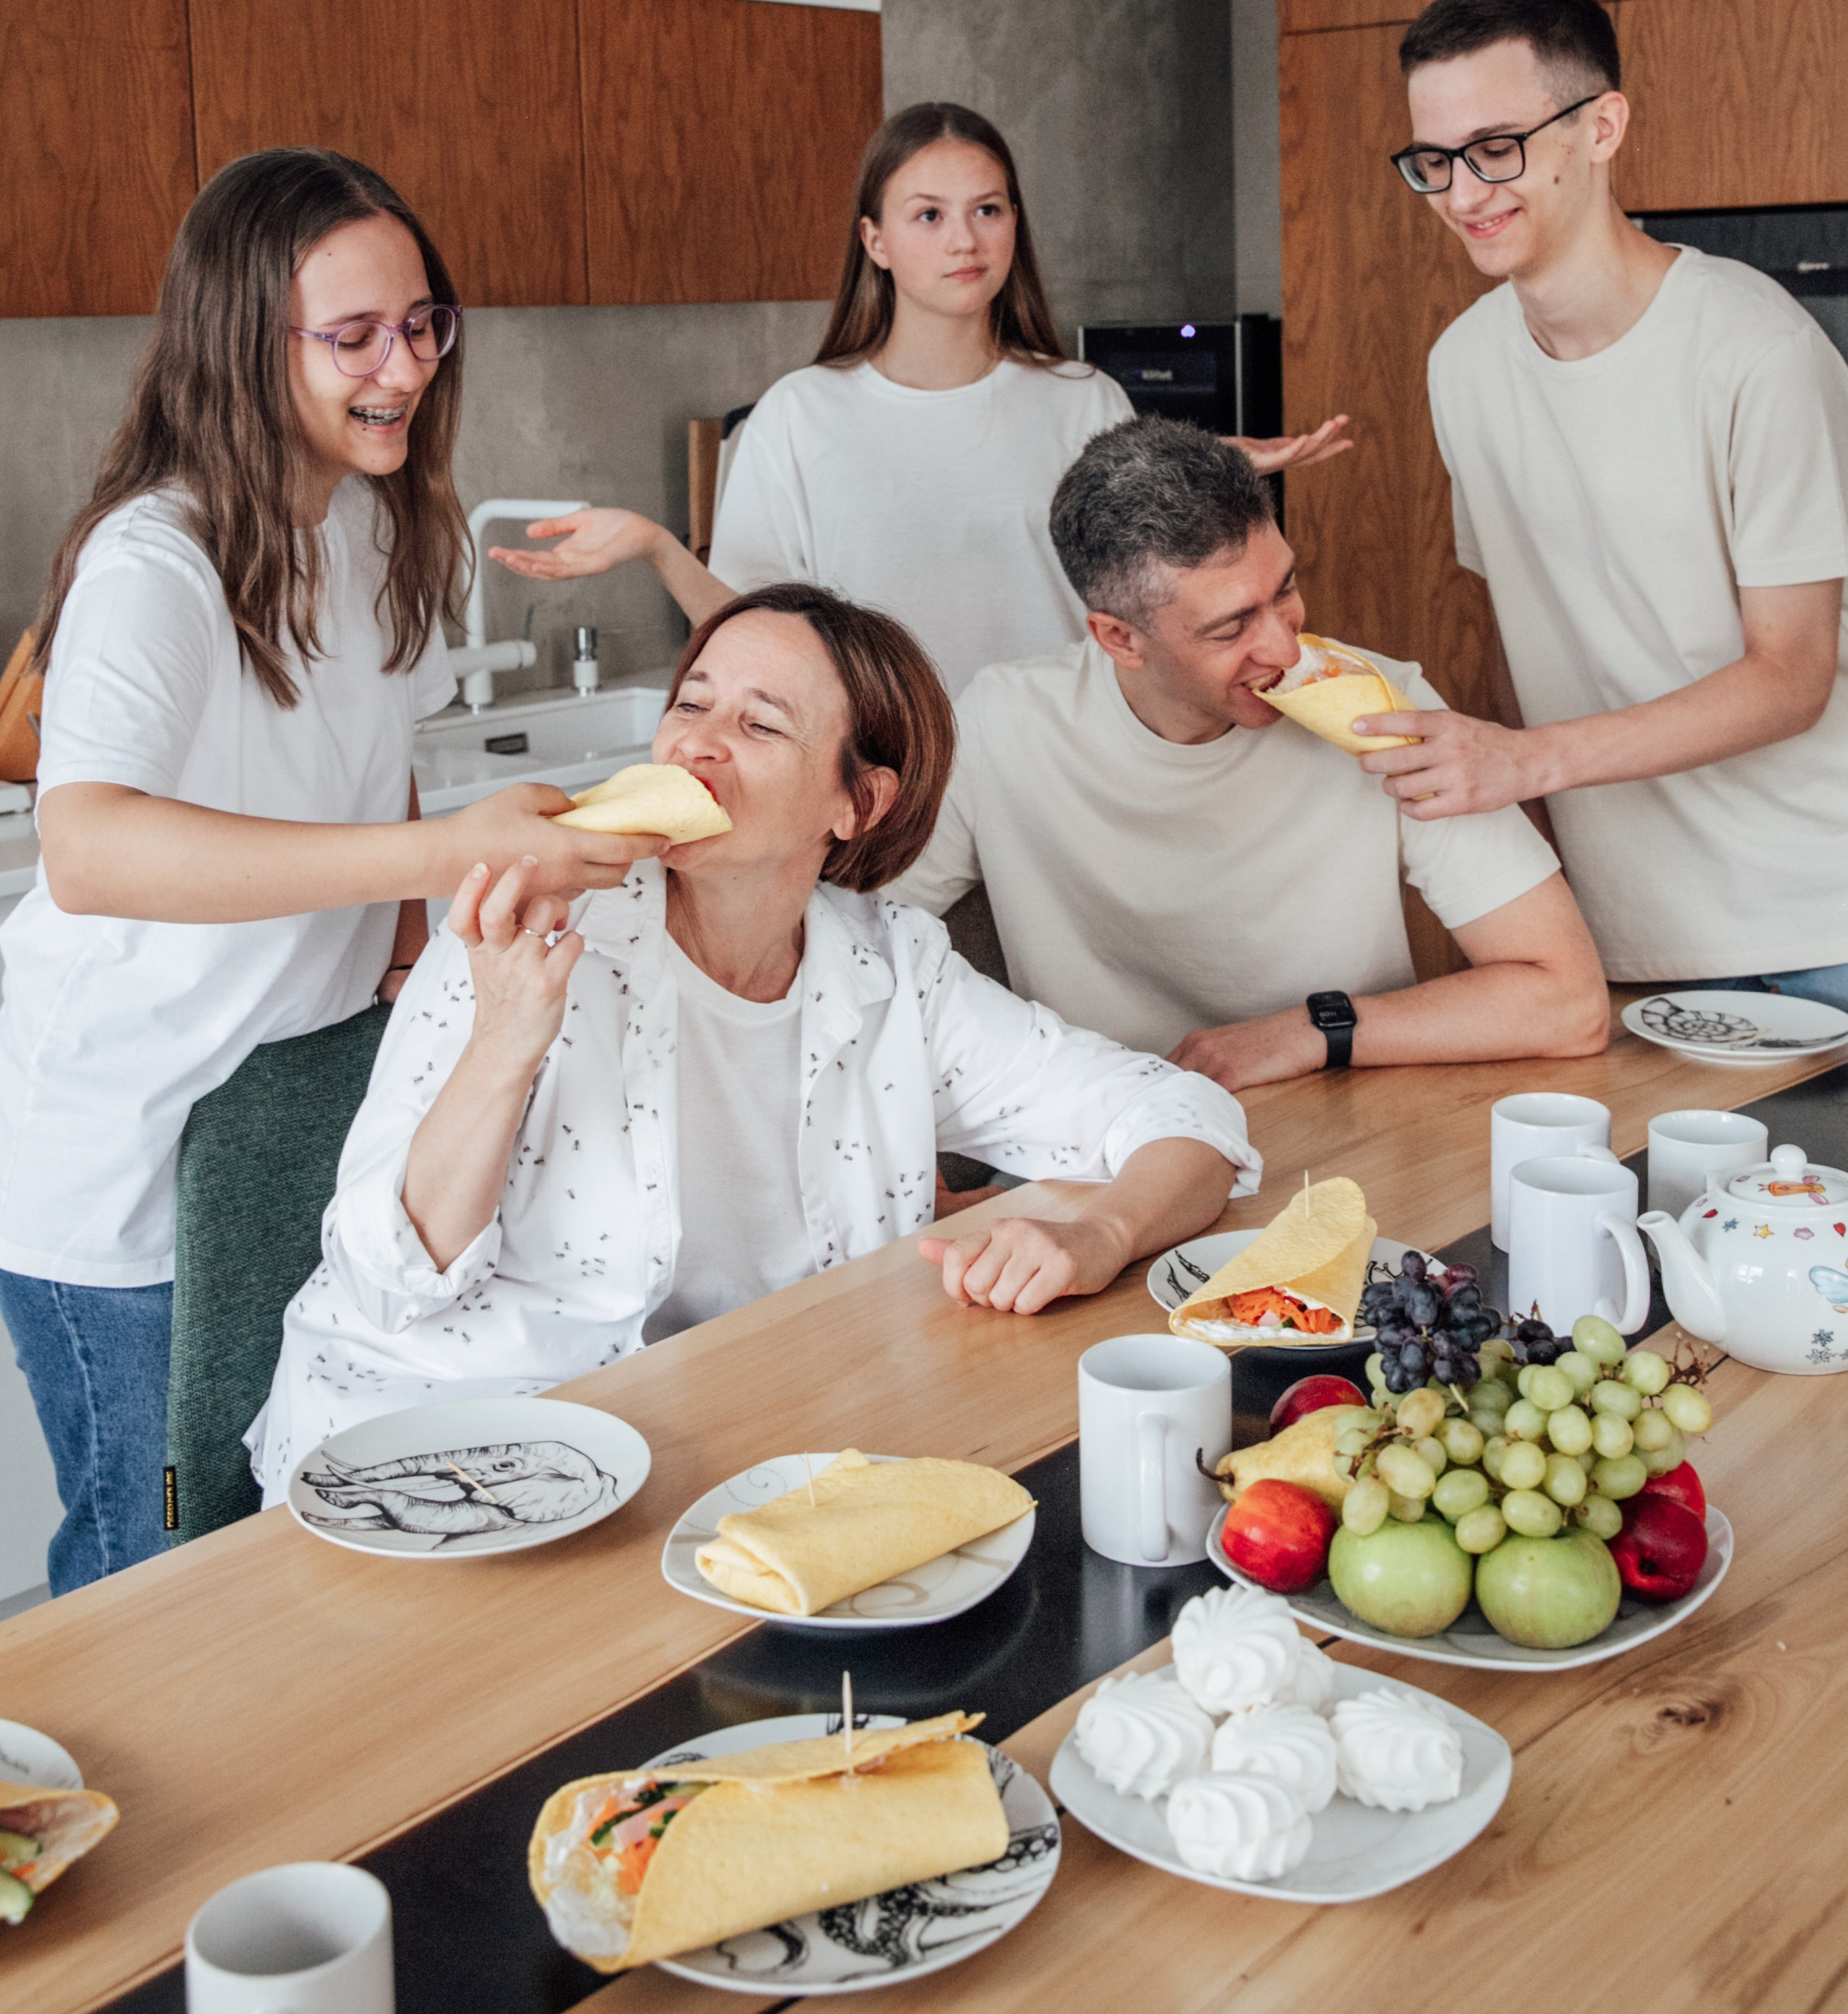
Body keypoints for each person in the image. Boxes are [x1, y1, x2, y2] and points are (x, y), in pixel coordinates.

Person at [0, 152, 654, 1592]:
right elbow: (89, 844)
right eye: (353, 336)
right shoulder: (154, 564)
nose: (404, 366)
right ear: (244, 343)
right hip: (119, 1153)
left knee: (264, 1534)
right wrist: (441, 854)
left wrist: (419, 954)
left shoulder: (368, 523)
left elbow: (381, 760)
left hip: (283, 1106)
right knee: (148, 1561)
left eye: (422, 324)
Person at [249, 584, 1258, 1495]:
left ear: (857, 803)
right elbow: (387, 1280)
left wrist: (1101, 1233)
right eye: (691, 703)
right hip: (430, 1464)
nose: (697, 744)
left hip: (721, 1453)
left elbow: (1187, 1117)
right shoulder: (533, 930)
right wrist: (505, 1043)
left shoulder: (894, 970)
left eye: (759, 723)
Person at [489, 102, 1351, 699]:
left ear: (1016, 222)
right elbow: (753, 636)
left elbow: (1157, 596)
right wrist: (652, 546)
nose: (966, 240)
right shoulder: (798, 417)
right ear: (876, 240)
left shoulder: (1082, 401)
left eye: (987, 209)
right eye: (929, 215)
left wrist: (1203, 472)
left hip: (1066, 780)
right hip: (886, 793)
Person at [1358, 0, 1848, 1006]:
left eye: (1498, 150)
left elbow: (1793, 676)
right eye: (1435, 161)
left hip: (1820, 915)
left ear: (1602, 126)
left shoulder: (1759, 351)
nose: (1463, 195)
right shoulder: (1462, 365)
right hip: (1624, 937)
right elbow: (1534, 631)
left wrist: (1525, 764)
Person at [892, 417, 1609, 1086]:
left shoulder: (1386, 702)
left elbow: (1568, 1000)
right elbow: (848, 955)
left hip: (1342, 1122)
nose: (1286, 647)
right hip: (1101, 1149)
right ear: (1119, 638)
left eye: (1285, 588)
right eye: (1230, 627)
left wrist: (1307, 1032)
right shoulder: (1000, 726)